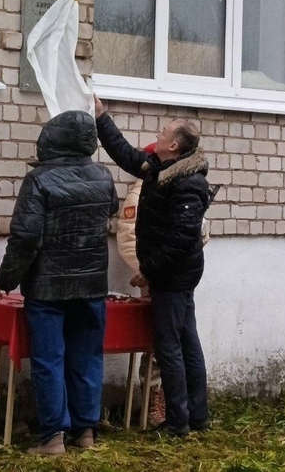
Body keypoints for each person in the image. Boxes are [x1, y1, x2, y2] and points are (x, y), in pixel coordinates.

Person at [0, 110, 119, 456]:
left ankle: (52, 438)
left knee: (50, 359)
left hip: (48, 288)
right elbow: (110, 211)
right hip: (92, 284)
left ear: (51, 139)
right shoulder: (103, 175)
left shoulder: (39, 180)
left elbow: (25, 237)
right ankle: (86, 431)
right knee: (87, 357)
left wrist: (6, 279)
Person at [94, 96, 211, 437]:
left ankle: (178, 422)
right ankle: (196, 416)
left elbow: (181, 238)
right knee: (187, 341)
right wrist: (102, 118)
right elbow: (126, 154)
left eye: (162, 133)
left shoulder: (188, 183)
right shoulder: (160, 170)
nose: (156, 135)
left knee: (170, 346)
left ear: (173, 145)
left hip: (174, 277)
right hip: (173, 275)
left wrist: (150, 271)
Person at [116, 143, 166, 428]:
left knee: (168, 344)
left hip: (173, 274)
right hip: (154, 278)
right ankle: (152, 403)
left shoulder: (167, 187)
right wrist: (146, 272)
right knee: (156, 344)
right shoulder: (139, 193)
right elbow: (127, 241)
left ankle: (167, 400)